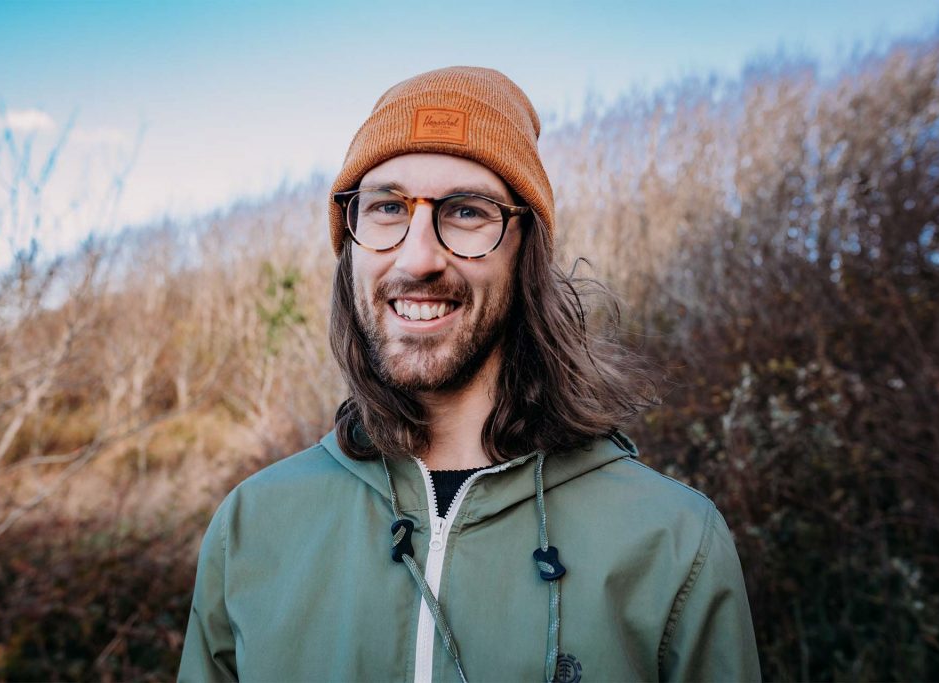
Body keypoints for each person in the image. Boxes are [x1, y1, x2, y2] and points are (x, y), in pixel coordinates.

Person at [178, 66, 760, 683]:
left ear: (526, 249)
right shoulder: (252, 525)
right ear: (349, 244)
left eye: (465, 212)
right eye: (387, 207)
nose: (418, 258)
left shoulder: (672, 540)